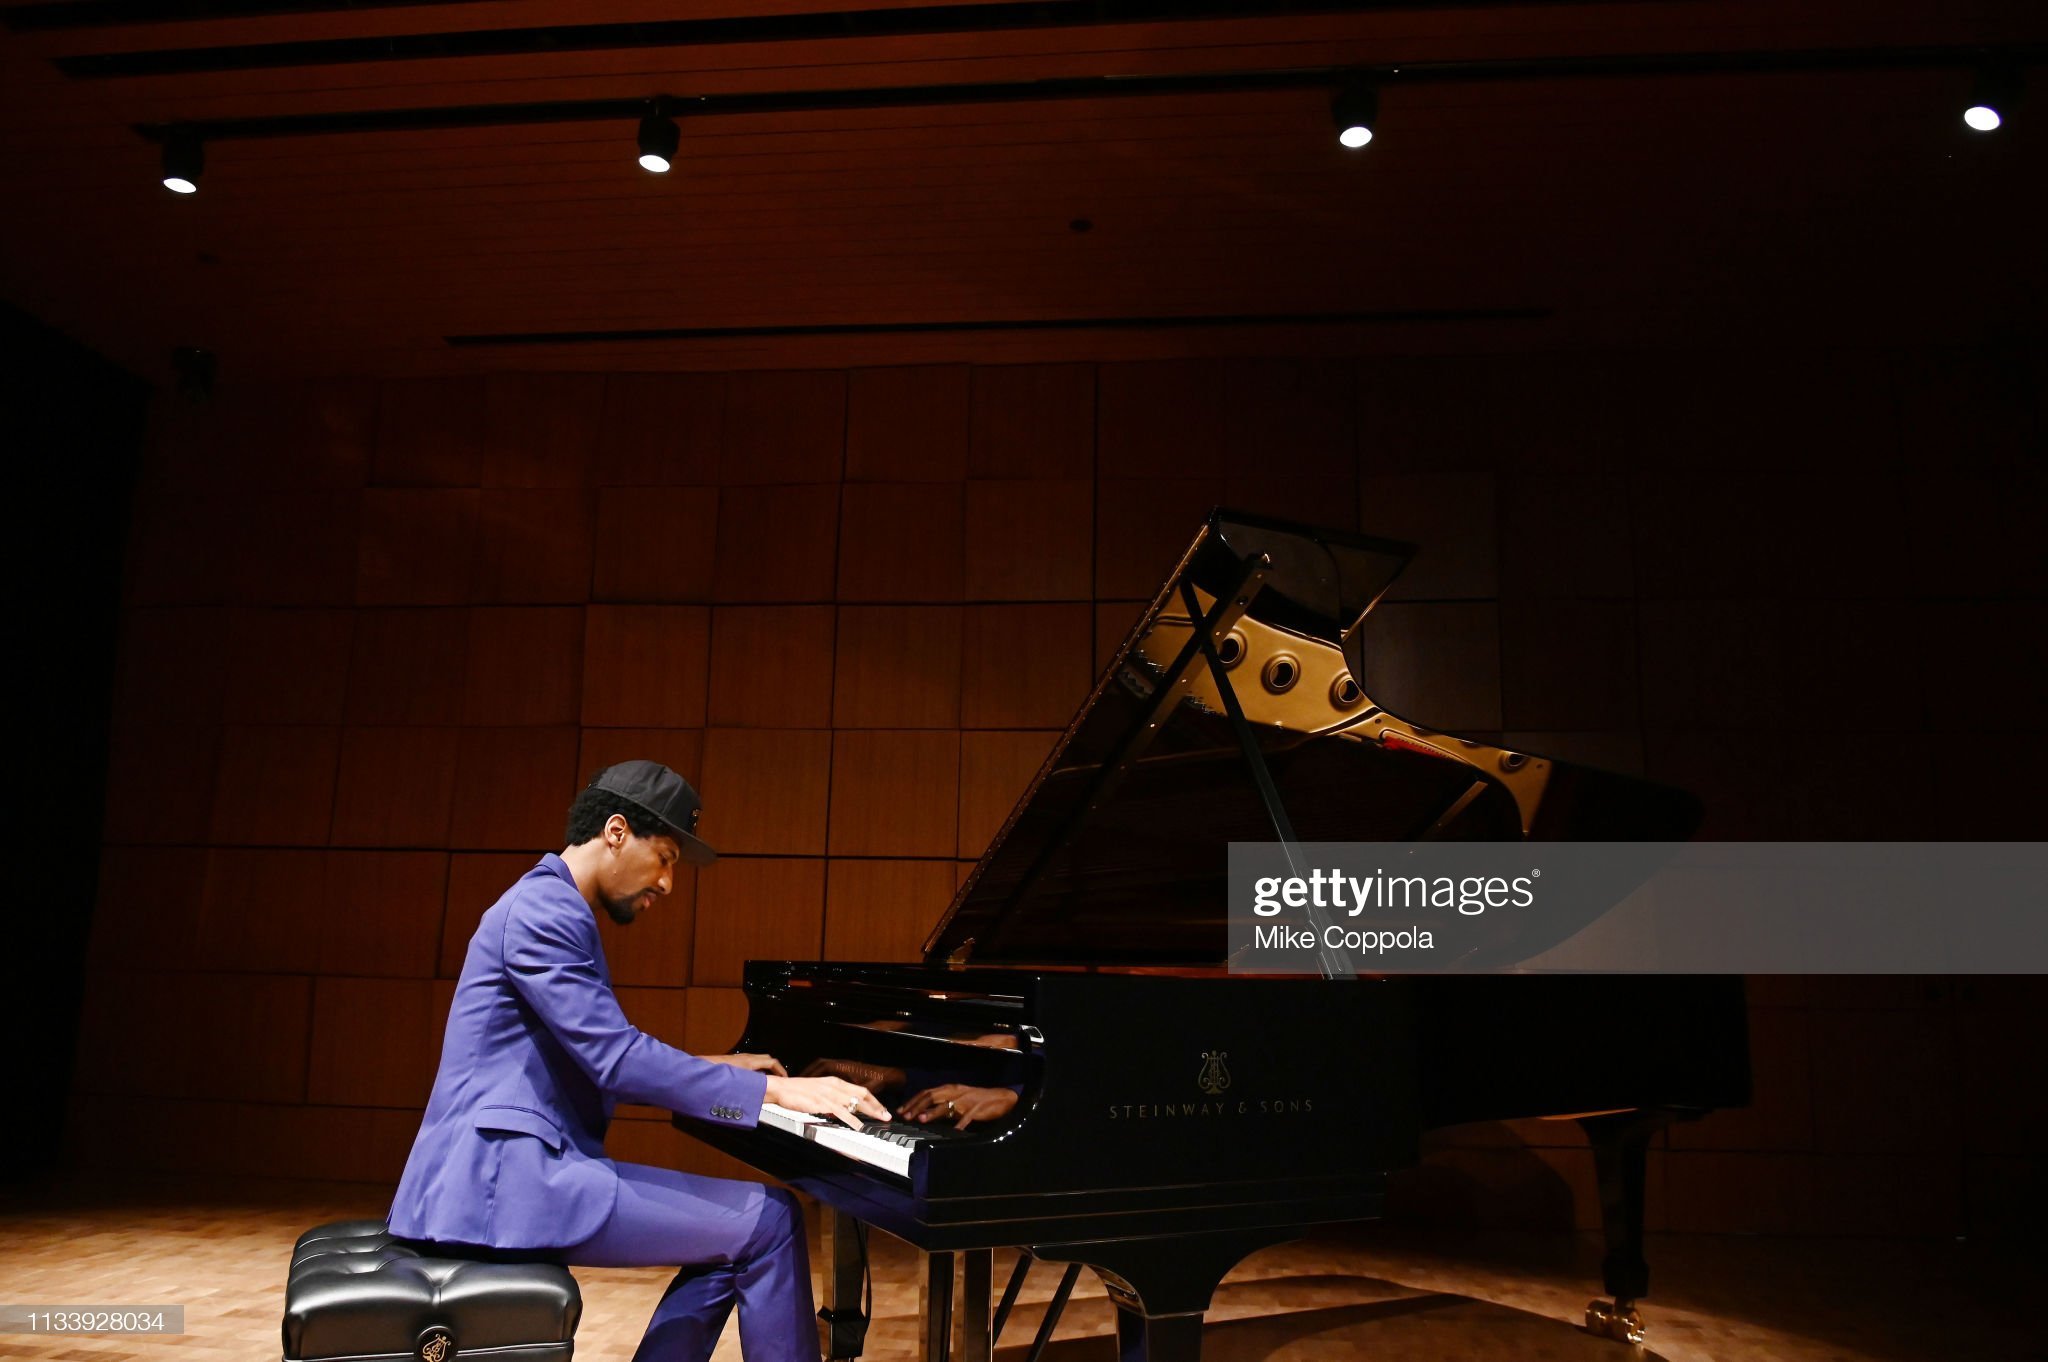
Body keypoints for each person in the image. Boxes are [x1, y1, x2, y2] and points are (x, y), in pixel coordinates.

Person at [387, 759, 890, 1362]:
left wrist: (723, 1070)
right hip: (505, 1183)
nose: (668, 884)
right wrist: (778, 1094)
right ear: (617, 832)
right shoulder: (546, 912)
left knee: (751, 1228)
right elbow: (615, 1058)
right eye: (667, 859)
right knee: (768, 1222)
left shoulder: (547, 904)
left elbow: (586, 1055)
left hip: (509, 1174)